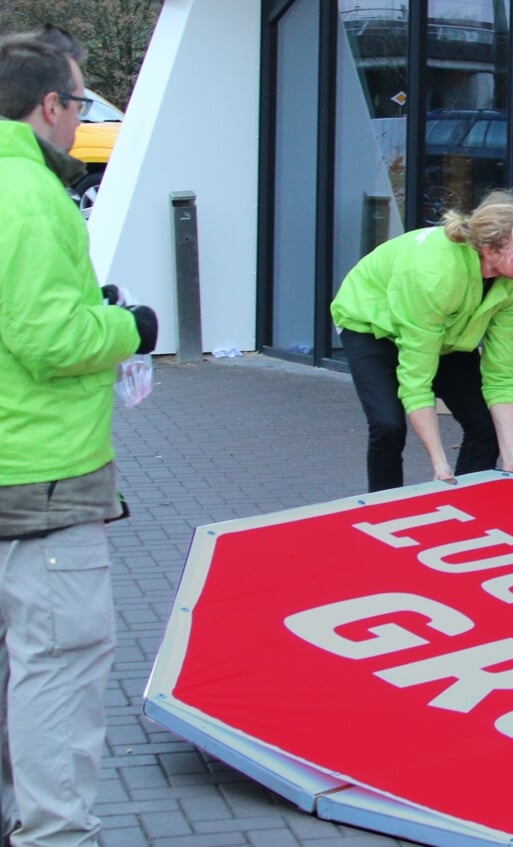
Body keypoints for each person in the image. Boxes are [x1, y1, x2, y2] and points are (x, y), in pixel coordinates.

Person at [0, 32, 158, 846]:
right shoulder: (27, 195)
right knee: (58, 663)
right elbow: (48, 337)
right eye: (79, 103)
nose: (78, 123)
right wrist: (126, 325)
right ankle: (56, 834)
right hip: (41, 470)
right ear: (50, 106)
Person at [331, 187, 513, 491]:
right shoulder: (435, 275)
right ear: (490, 250)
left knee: (485, 425)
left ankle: (467, 505)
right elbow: (417, 382)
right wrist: (439, 463)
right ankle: (385, 509)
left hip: (446, 332)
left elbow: (503, 374)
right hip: (371, 324)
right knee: (388, 425)